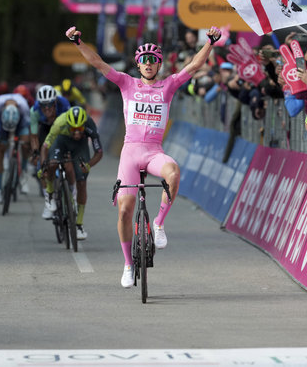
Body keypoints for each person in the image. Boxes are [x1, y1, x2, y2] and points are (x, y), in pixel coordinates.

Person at [64, 24, 221, 288]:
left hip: (154, 152)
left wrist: (210, 42)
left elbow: (194, 66)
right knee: (125, 211)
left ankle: (158, 224)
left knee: (173, 172)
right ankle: (127, 264)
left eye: (153, 60)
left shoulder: (168, 86)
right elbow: (99, 63)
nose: (149, 64)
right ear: (138, 65)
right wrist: (78, 42)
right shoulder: (127, 83)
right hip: (130, 152)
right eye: (144, 60)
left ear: (159, 65)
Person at [40, 106, 103, 240]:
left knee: (81, 182)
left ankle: (79, 224)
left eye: (79, 130)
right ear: (68, 125)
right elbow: (45, 146)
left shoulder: (89, 123)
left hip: (80, 146)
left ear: (83, 126)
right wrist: (44, 165)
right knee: (52, 164)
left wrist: (88, 165)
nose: (76, 134)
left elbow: (99, 152)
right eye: (73, 130)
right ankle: (50, 194)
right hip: (61, 141)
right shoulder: (59, 123)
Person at [29, 84, 71, 218]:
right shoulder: (34, 111)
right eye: (43, 105)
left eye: (50, 105)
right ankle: (48, 199)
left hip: (61, 129)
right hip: (44, 129)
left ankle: (71, 192)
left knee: (68, 160)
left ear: (55, 102)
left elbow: (70, 129)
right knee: (42, 167)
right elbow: (34, 136)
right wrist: (35, 152)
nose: (46, 109)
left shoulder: (64, 105)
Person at [0, 93, 31, 203]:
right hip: (3, 125)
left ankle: (22, 172)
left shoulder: (24, 107)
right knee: (0, 151)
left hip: (20, 124)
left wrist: (28, 144)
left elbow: (29, 127)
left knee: (26, 146)